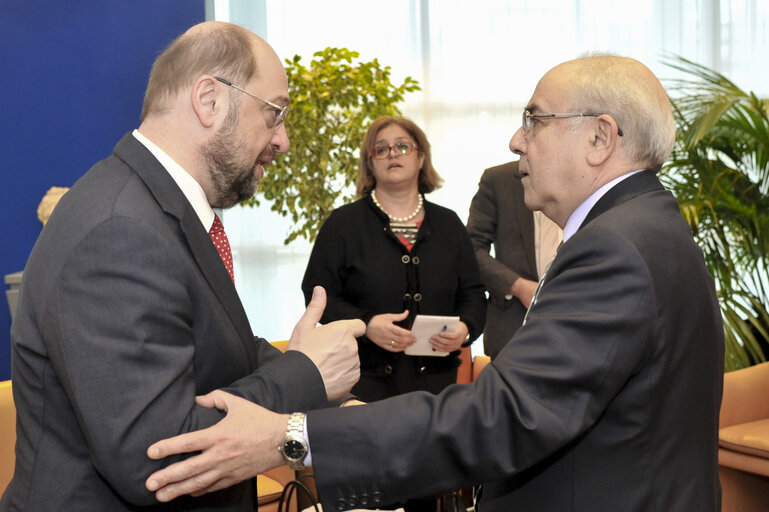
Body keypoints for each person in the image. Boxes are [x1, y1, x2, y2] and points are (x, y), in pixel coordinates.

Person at [143, 55, 725, 512]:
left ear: (600, 138)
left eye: (534, 119)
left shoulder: (612, 249)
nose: (516, 141)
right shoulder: (646, 227)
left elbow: (506, 418)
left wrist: (291, 436)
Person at [0, 21, 364, 512]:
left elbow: (218, 351)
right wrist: (305, 376)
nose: (283, 141)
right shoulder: (120, 230)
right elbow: (157, 459)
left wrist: (328, 392)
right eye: (274, 113)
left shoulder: (158, 206)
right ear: (210, 100)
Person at [300, 115, 486, 510]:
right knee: (370, 497)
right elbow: (316, 294)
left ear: (421, 157)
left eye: (402, 146)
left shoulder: (449, 224)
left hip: (434, 392)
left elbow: (474, 294)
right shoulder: (343, 224)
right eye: (380, 149)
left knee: (425, 494)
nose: (392, 154)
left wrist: (466, 328)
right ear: (370, 164)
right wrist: (366, 325)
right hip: (364, 389)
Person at [466, 160, 562, 359]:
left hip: (575, 329)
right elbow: (471, 249)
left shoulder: (590, 175)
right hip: (512, 329)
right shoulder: (498, 179)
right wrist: (518, 286)